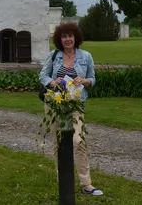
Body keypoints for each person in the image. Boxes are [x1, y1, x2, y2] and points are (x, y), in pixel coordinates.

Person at [39, 22, 103, 196]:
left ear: (76, 37)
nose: (68, 39)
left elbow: (92, 79)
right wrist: (52, 82)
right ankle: (64, 180)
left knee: (79, 141)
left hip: (76, 105)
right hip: (55, 105)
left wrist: (84, 81)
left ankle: (87, 184)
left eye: (71, 36)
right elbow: (42, 75)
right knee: (58, 142)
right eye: (64, 36)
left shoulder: (86, 56)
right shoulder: (53, 56)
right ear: (60, 39)